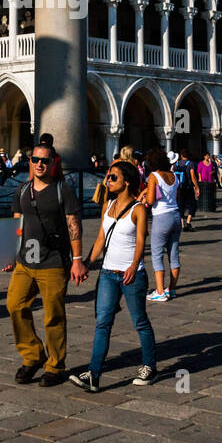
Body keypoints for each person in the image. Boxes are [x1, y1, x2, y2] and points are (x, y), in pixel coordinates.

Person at [70, 161, 157, 391]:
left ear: (126, 181)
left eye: (113, 178)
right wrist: (87, 262)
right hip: (108, 273)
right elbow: (101, 237)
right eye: (108, 177)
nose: (108, 181)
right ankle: (93, 374)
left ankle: (149, 365)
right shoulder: (108, 205)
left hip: (132, 275)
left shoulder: (139, 208)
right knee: (103, 323)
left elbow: (141, 241)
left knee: (140, 322)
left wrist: (133, 265)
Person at [8, 141, 87, 386]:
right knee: (15, 305)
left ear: (52, 163)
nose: (40, 164)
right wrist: (9, 253)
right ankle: (32, 355)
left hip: (52, 261)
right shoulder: (22, 190)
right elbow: (16, 224)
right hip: (25, 261)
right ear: (29, 162)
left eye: (45, 160)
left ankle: (55, 365)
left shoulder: (63, 190)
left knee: (53, 315)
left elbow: (74, 226)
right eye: (35, 160)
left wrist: (77, 261)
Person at [141, 148, 180, 301]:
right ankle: (172, 288)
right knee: (174, 254)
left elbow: (151, 200)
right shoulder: (174, 176)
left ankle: (159, 291)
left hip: (161, 217)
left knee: (157, 254)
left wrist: (145, 196)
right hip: (175, 215)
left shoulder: (154, 176)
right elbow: (177, 195)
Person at [174, 149, 197, 231]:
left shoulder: (176, 164)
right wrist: (197, 187)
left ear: (181, 156)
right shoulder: (190, 164)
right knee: (192, 205)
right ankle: (188, 222)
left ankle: (182, 225)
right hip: (188, 187)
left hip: (178, 188)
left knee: (181, 206)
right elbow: (193, 176)